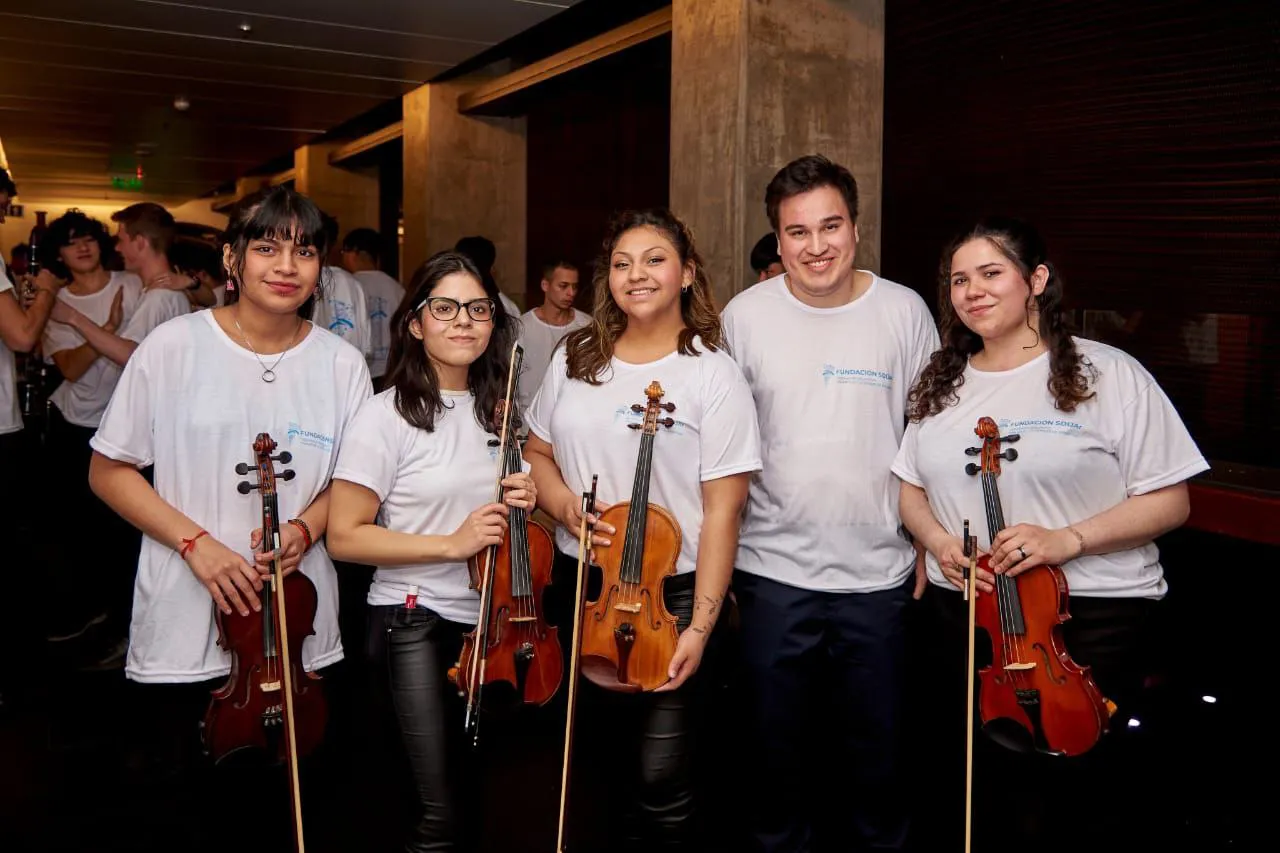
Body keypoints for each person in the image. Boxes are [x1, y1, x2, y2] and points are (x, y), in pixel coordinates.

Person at [890, 215, 1208, 853]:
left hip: (1092, 616)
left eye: (991, 273)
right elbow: (911, 489)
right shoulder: (942, 384)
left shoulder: (1108, 373)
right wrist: (938, 541)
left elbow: (1172, 500)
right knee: (986, 785)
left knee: (1078, 790)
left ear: (1035, 279)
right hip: (974, 613)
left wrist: (1070, 539)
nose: (973, 291)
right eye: (959, 280)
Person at [86, 185, 372, 852]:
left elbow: (353, 483)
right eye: (267, 246)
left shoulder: (341, 363)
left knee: (294, 806)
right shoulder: (174, 346)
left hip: (296, 622)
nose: (286, 264)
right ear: (232, 259)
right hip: (189, 609)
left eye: (304, 250)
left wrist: (306, 528)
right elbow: (108, 470)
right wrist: (197, 544)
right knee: (188, 805)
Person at [719, 153, 939, 853]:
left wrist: (930, 539)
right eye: (796, 232)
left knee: (879, 760)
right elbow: (719, 449)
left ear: (855, 224)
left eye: (830, 226)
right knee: (773, 760)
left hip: (879, 577)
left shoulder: (904, 311)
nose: (816, 246)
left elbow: (928, 434)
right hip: (770, 575)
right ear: (776, 240)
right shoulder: (743, 317)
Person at [523, 208, 761, 850]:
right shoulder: (577, 357)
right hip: (582, 585)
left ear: (687, 273)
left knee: (662, 778)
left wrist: (701, 627)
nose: (637, 274)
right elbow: (536, 452)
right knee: (592, 766)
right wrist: (567, 505)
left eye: (655, 259)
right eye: (622, 263)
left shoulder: (713, 372)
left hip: (671, 594)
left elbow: (722, 512)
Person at [326, 250, 531, 852]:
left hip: (488, 628)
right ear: (416, 323)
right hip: (412, 622)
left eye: (478, 309)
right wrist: (453, 543)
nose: (463, 321)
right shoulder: (384, 415)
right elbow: (345, 534)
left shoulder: (499, 411)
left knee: (474, 798)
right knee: (435, 813)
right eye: (445, 308)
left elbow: (503, 524)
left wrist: (529, 497)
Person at [515, 259, 590, 411]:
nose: (571, 293)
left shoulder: (587, 326)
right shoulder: (521, 326)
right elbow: (508, 378)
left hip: (570, 417)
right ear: (545, 285)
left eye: (574, 287)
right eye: (563, 286)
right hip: (526, 421)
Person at [339, 227, 404, 390]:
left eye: (343, 252)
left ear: (354, 252)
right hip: (392, 370)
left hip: (357, 371)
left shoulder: (348, 286)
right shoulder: (396, 288)